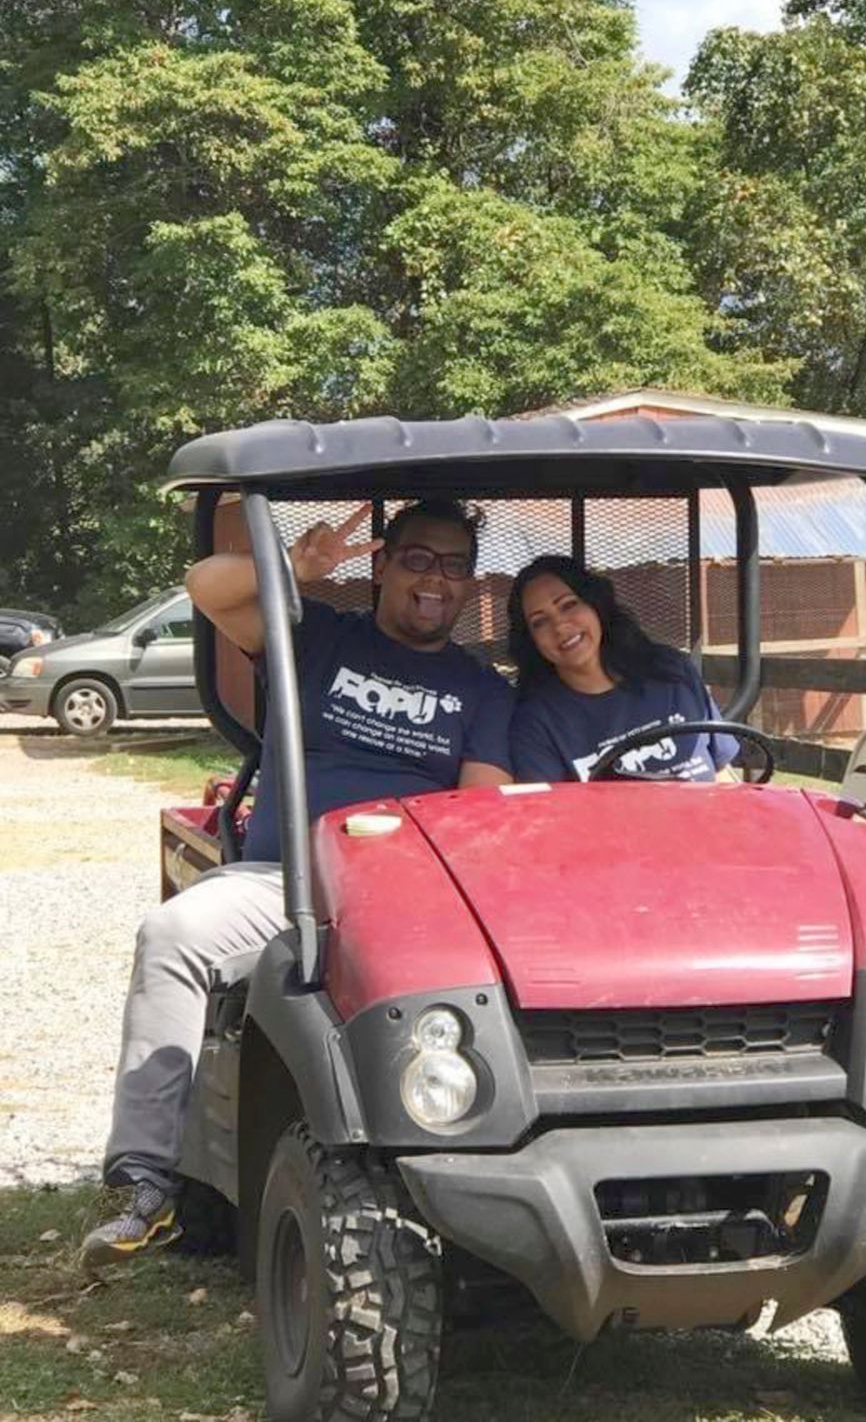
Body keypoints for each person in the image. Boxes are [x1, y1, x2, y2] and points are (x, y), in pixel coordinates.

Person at [82, 498, 513, 1267]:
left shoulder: (481, 692)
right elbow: (208, 587)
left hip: (399, 900)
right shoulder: (313, 636)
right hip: (280, 882)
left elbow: (477, 815)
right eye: (417, 558)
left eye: (454, 566)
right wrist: (293, 568)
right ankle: (149, 1183)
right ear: (380, 565)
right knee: (172, 934)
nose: (435, 581)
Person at [507, 554, 739, 783]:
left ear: (595, 605)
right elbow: (548, 813)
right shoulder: (535, 722)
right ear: (530, 640)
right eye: (540, 622)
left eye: (569, 605)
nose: (559, 626)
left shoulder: (671, 671)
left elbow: (721, 772)